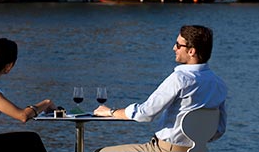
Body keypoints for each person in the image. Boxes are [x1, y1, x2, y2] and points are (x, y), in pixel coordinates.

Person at [93, 25, 227, 152]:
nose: (174, 48)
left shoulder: (180, 79)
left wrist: (111, 112)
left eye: (179, 45)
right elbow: (219, 130)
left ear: (191, 51)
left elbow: (145, 113)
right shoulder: (219, 84)